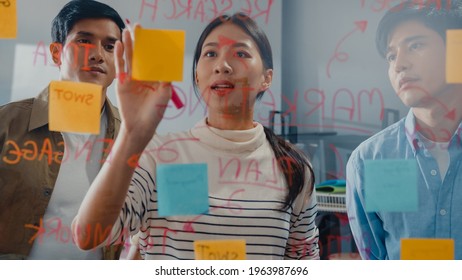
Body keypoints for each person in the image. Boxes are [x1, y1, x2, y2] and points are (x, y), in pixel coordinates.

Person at [72, 13, 320, 260]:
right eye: (211, 54)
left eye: (241, 53)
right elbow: (88, 236)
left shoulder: (294, 167)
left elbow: (305, 261)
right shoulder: (160, 155)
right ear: (197, 75)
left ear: (267, 78)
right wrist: (131, 134)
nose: (222, 65)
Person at [0, 0, 125, 259]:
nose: (98, 55)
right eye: (84, 41)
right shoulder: (7, 123)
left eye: (110, 46)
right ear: (57, 53)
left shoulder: (131, 138)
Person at [346, 0, 462, 259]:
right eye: (391, 56)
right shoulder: (370, 160)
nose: (399, 64)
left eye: (416, 45)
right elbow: (377, 258)